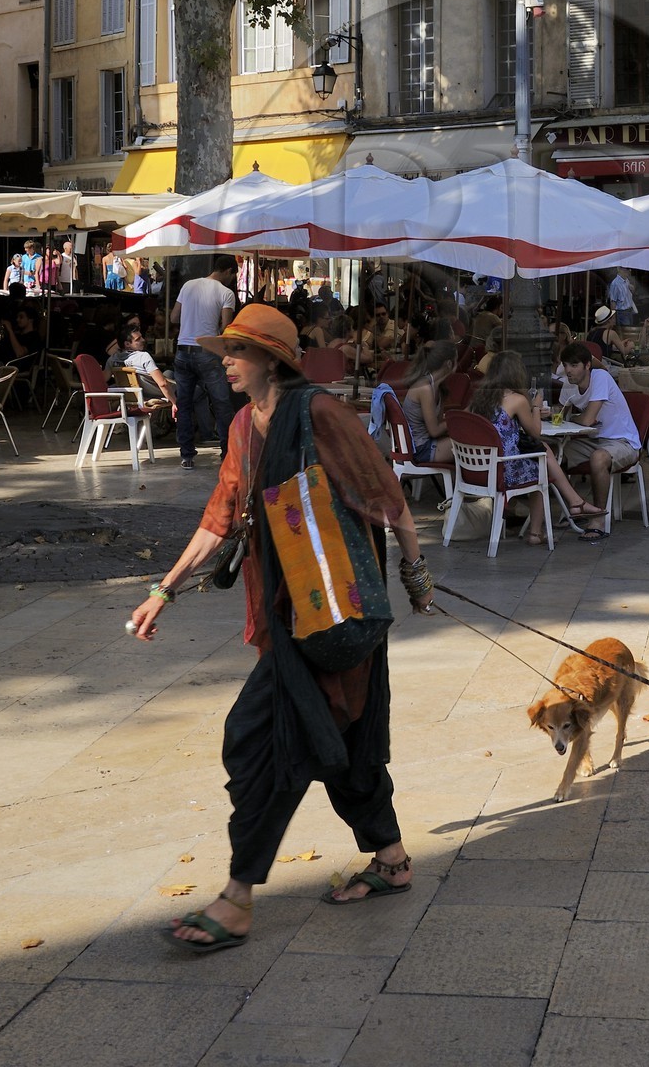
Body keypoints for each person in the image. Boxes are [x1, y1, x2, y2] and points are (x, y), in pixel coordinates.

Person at [128, 304, 435, 948]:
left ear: (271, 359)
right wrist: (165, 589)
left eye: (236, 352)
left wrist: (415, 574)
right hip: (284, 614)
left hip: (334, 613)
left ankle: (237, 897)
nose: (224, 362)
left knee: (260, 742)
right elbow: (220, 517)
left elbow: (387, 496)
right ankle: (393, 860)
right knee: (343, 738)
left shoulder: (321, 413)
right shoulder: (243, 424)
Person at [471, 351, 605, 543]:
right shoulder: (516, 399)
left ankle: (574, 503)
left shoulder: (478, 397)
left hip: (476, 468)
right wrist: (534, 407)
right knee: (540, 471)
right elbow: (535, 431)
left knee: (541, 451)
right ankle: (538, 531)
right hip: (503, 469)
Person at [556, 342, 641, 541]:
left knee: (598, 458)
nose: (568, 370)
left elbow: (587, 420)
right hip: (593, 439)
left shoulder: (600, 377)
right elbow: (559, 415)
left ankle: (598, 518)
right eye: (566, 365)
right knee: (551, 455)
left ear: (587, 366)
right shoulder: (569, 384)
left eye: (574, 365)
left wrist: (571, 418)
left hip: (623, 441)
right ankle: (570, 508)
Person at [171, 255, 239, 468]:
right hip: (208, 353)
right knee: (221, 403)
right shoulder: (226, 293)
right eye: (233, 275)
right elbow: (227, 328)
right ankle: (227, 452)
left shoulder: (188, 285)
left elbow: (174, 318)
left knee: (184, 404)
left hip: (182, 351)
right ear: (228, 271)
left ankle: (187, 456)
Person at [401, 340, 456, 468]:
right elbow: (435, 430)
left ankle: (457, 487)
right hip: (420, 449)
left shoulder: (439, 388)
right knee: (470, 447)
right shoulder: (425, 388)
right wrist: (460, 417)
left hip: (426, 443)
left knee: (468, 442)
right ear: (449, 363)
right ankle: (466, 487)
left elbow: (437, 425)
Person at [106, 324, 177, 405]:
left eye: (141, 337)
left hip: (133, 395)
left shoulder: (113, 359)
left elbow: (103, 379)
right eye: (138, 339)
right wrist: (174, 402)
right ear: (127, 344)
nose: (143, 340)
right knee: (171, 374)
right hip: (155, 393)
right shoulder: (143, 357)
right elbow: (162, 384)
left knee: (168, 373)